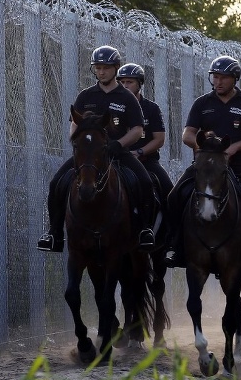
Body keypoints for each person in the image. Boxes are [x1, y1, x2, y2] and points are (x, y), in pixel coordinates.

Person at [37, 46, 156, 253]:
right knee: (57, 182)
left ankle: (144, 230)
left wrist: (118, 144)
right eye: (97, 68)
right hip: (89, 155)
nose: (101, 72)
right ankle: (54, 233)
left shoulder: (126, 97)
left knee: (144, 182)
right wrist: (76, 139)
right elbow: (74, 123)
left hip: (118, 153)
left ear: (116, 69)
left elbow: (137, 130)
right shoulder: (85, 96)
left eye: (106, 68)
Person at [164, 55, 241, 268]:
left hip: (240, 162)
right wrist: (202, 147)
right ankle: (174, 245)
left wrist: (235, 147)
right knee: (175, 195)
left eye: (223, 78)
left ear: (234, 79)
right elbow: (187, 134)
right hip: (207, 164)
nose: (218, 82)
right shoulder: (202, 103)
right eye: (215, 77)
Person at [116, 63, 173, 238]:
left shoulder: (151, 108)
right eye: (122, 82)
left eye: (130, 82)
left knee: (170, 192)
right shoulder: (113, 106)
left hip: (146, 161)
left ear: (140, 83)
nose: (125, 86)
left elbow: (159, 139)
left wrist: (139, 152)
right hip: (116, 159)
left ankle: (171, 237)